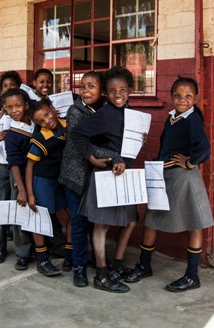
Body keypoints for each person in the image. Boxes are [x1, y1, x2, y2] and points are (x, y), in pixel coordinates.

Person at [125, 77, 213, 292]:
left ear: (196, 98)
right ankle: (144, 265)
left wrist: (190, 161)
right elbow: (166, 146)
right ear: (171, 97)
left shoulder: (192, 120)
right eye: (178, 96)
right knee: (152, 220)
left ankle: (192, 276)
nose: (182, 100)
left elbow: (204, 149)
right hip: (164, 175)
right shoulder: (172, 117)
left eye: (188, 96)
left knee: (193, 224)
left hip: (184, 178)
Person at [70, 67, 141, 294]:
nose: (117, 94)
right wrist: (93, 156)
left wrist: (140, 141)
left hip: (122, 173)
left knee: (130, 220)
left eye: (122, 90)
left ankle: (115, 266)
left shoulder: (130, 112)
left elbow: (124, 144)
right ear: (106, 94)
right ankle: (101, 274)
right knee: (101, 224)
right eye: (112, 91)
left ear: (130, 90)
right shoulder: (105, 113)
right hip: (106, 174)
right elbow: (77, 134)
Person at [58, 71, 121, 287]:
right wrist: (110, 156)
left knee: (96, 221)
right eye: (82, 86)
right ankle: (78, 266)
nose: (85, 90)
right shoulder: (74, 110)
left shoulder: (108, 110)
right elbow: (79, 142)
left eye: (91, 86)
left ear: (102, 90)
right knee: (78, 222)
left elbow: (114, 139)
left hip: (97, 177)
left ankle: (98, 262)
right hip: (75, 174)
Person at [23, 99, 71, 276]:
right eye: (41, 121)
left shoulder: (69, 123)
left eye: (47, 115)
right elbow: (29, 166)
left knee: (73, 212)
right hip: (43, 180)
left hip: (62, 178)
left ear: (53, 109)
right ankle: (42, 259)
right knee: (40, 219)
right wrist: (30, 193)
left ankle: (69, 253)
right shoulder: (41, 138)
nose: (47, 121)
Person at [0, 73, 23, 263]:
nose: (9, 88)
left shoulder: (27, 119)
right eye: (5, 86)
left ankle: (22, 251)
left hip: (21, 170)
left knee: (19, 208)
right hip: (2, 168)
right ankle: (0, 247)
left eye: (12, 85)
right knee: (0, 207)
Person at [3, 88, 34, 270]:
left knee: (37, 210)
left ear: (26, 105)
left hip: (37, 175)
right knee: (20, 214)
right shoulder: (12, 135)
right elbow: (13, 164)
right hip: (20, 177)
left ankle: (40, 246)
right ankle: (23, 252)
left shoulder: (35, 124)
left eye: (18, 106)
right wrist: (21, 189)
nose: (14, 111)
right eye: (10, 108)